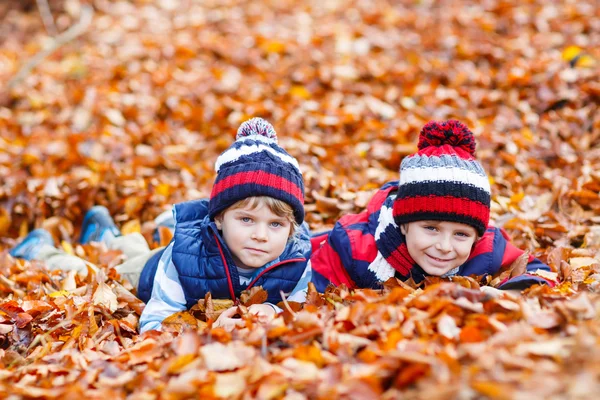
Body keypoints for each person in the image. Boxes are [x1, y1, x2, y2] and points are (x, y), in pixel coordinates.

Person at [10, 118, 312, 333]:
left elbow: (298, 308)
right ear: (218, 217)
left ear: (291, 227)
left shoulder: (296, 262)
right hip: (149, 273)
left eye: (275, 224)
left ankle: (105, 232)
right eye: (246, 219)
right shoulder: (185, 257)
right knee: (96, 273)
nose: (260, 235)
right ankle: (40, 249)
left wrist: (273, 310)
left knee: (133, 250)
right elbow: (153, 323)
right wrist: (205, 330)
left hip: (158, 256)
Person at [309, 120, 556, 292]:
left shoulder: (487, 250)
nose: (444, 246)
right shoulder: (354, 247)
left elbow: (541, 274)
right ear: (403, 224)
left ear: (476, 236)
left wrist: (506, 294)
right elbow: (315, 295)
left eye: (461, 234)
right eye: (431, 228)